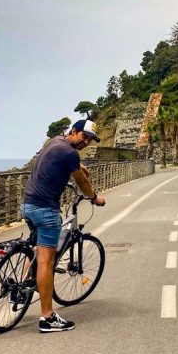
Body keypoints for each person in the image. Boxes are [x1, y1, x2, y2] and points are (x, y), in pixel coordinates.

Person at [21, 120, 106, 333]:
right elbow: (82, 182)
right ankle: (48, 317)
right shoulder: (70, 154)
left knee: (35, 247)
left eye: (90, 139)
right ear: (74, 131)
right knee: (46, 261)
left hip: (28, 204)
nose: (86, 142)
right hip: (45, 209)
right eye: (84, 136)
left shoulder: (55, 142)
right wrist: (94, 198)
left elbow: (56, 159)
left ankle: (20, 289)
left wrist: (79, 166)